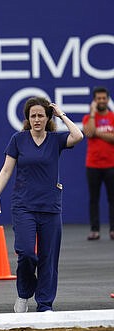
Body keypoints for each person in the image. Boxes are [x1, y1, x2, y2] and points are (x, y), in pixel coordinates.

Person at [0, 97, 83, 313]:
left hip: (50, 207)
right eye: (33, 116)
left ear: (47, 118)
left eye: (41, 115)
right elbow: (6, 170)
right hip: (24, 206)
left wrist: (61, 115)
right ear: (27, 118)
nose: (37, 119)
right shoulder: (18, 139)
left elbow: (78, 136)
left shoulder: (55, 140)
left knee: (48, 258)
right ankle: (24, 293)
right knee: (27, 253)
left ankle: (45, 304)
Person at [82, 87, 114, 241]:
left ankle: (113, 230)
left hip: (111, 164)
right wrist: (93, 114)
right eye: (98, 98)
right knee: (93, 199)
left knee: (112, 198)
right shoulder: (88, 118)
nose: (101, 101)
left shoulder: (112, 117)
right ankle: (95, 230)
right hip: (93, 164)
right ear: (94, 101)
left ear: (108, 99)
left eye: (103, 98)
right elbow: (88, 133)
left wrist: (97, 133)